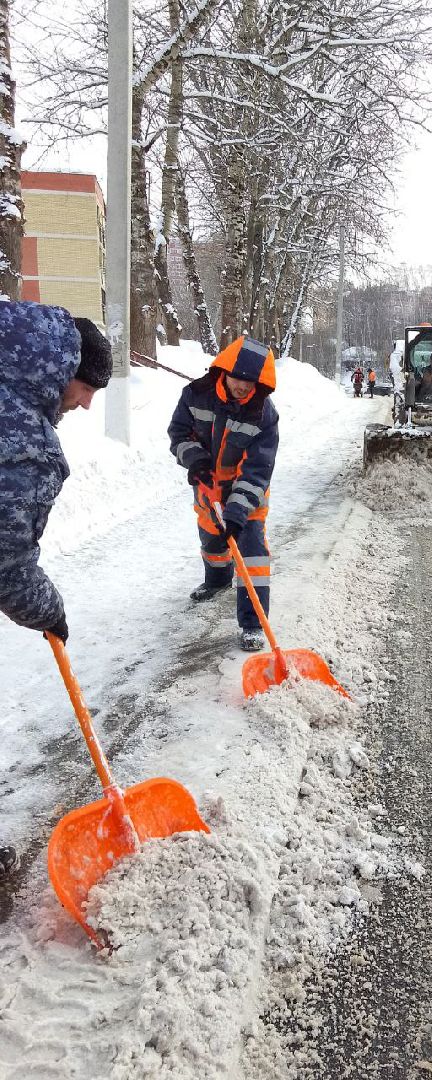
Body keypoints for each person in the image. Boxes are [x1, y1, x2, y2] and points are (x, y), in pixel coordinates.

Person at [0, 301, 112, 881]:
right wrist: (49, 610)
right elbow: (5, 560)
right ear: (60, 369)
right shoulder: (22, 438)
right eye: (86, 387)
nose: (87, 403)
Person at [168, 336, 278, 652]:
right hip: (208, 486)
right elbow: (178, 433)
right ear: (224, 370)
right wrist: (196, 460)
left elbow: (257, 468)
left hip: (248, 493)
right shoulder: (195, 395)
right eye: (237, 377)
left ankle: (253, 624)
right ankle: (217, 581)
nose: (242, 386)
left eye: (250, 381)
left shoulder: (263, 414)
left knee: (252, 552)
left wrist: (238, 510)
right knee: (213, 541)